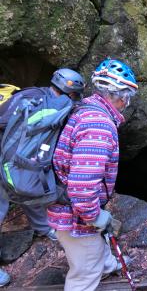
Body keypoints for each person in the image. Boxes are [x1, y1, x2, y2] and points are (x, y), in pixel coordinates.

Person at [47, 58, 138, 291]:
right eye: (128, 96)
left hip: (65, 202)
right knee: (85, 273)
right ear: (120, 96)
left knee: (96, 241)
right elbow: (81, 186)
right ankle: (95, 269)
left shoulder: (85, 108)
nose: (127, 102)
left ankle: (106, 264)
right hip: (72, 214)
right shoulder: (98, 125)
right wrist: (93, 216)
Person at [0, 69, 85, 287]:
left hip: (10, 156)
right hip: (6, 158)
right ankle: (44, 228)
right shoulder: (55, 107)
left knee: (29, 184)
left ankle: (43, 227)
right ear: (72, 93)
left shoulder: (31, 95)